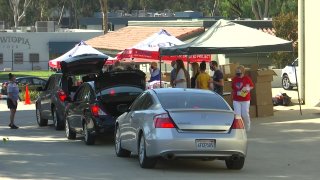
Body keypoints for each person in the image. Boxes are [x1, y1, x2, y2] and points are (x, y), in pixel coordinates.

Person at [231, 65, 254, 132]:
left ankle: (248, 124)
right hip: (236, 99)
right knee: (237, 114)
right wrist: (232, 96)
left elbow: (252, 86)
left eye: (239, 72)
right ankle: (239, 128)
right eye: (237, 72)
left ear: (243, 72)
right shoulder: (234, 79)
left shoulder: (247, 78)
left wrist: (248, 89)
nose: (238, 74)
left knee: (245, 113)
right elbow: (233, 88)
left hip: (245, 99)